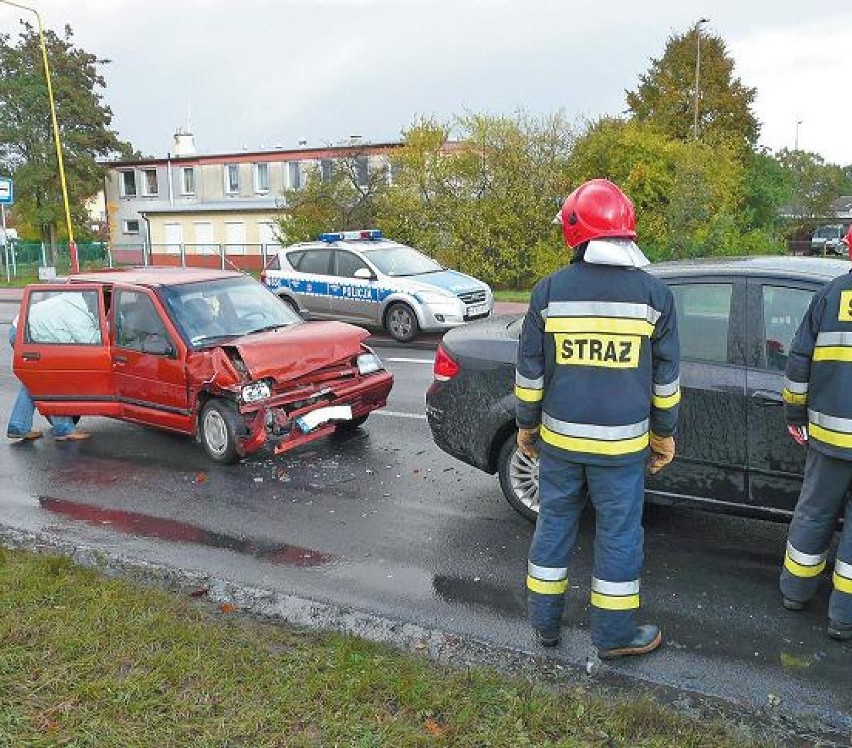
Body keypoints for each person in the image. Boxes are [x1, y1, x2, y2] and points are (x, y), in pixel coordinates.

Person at [516, 178, 680, 659]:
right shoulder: (654, 296)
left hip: (560, 446)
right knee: (619, 535)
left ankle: (545, 626)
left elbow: (530, 374)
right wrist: (664, 436)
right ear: (626, 232)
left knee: (554, 527)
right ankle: (613, 637)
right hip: (622, 452)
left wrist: (528, 426)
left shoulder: (548, 293)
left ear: (576, 231)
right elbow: (665, 381)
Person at [781, 223, 852, 641]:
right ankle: (843, 617)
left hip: (827, 440)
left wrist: (795, 415)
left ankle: (795, 592)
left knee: (813, 515)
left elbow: (798, 362)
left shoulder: (829, 296)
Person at [6, 291, 95, 442]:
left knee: (33, 382)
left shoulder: (74, 302)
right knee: (51, 379)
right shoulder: (77, 313)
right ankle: (63, 428)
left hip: (20, 329)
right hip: (27, 334)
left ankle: (18, 426)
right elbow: (90, 340)